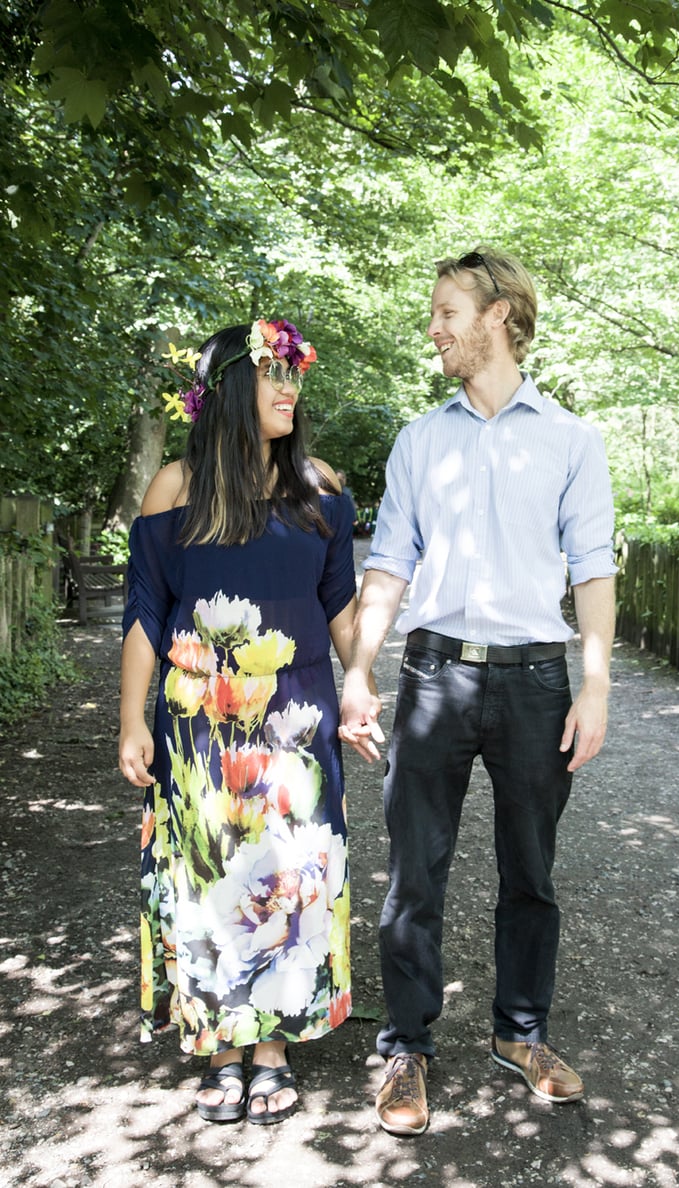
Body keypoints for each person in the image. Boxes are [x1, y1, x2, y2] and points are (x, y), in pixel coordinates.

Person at [339, 248, 617, 1136]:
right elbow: (386, 566)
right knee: (415, 873)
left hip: (538, 679)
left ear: (499, 313)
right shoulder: (421, 441)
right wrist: (359, 670)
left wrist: (596, 687)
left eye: (448, 309)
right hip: (432, 673)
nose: (435, 327)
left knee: (530, 874)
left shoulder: (573, 440)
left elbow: (594, 571)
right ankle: (407, 1049)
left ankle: (520, 1034)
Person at [118, 317, 359, 1126]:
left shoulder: (319, 487)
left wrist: (360, 687)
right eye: (272, 374)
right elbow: (147, 613)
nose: (290, 390)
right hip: (198, 725)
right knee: (208, 875)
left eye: (295, 375)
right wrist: (130, 721)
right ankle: (221, 1051)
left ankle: (271, 1050)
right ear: (228, 389)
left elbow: (341, 610)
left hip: (297, 723)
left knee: (287, 878)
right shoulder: (175, 489)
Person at [335, 470, 359, 534]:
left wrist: (354, 518)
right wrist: (355, 519)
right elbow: (352, 506)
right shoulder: (346, 491)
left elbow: (352, 505)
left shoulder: (346, 492)